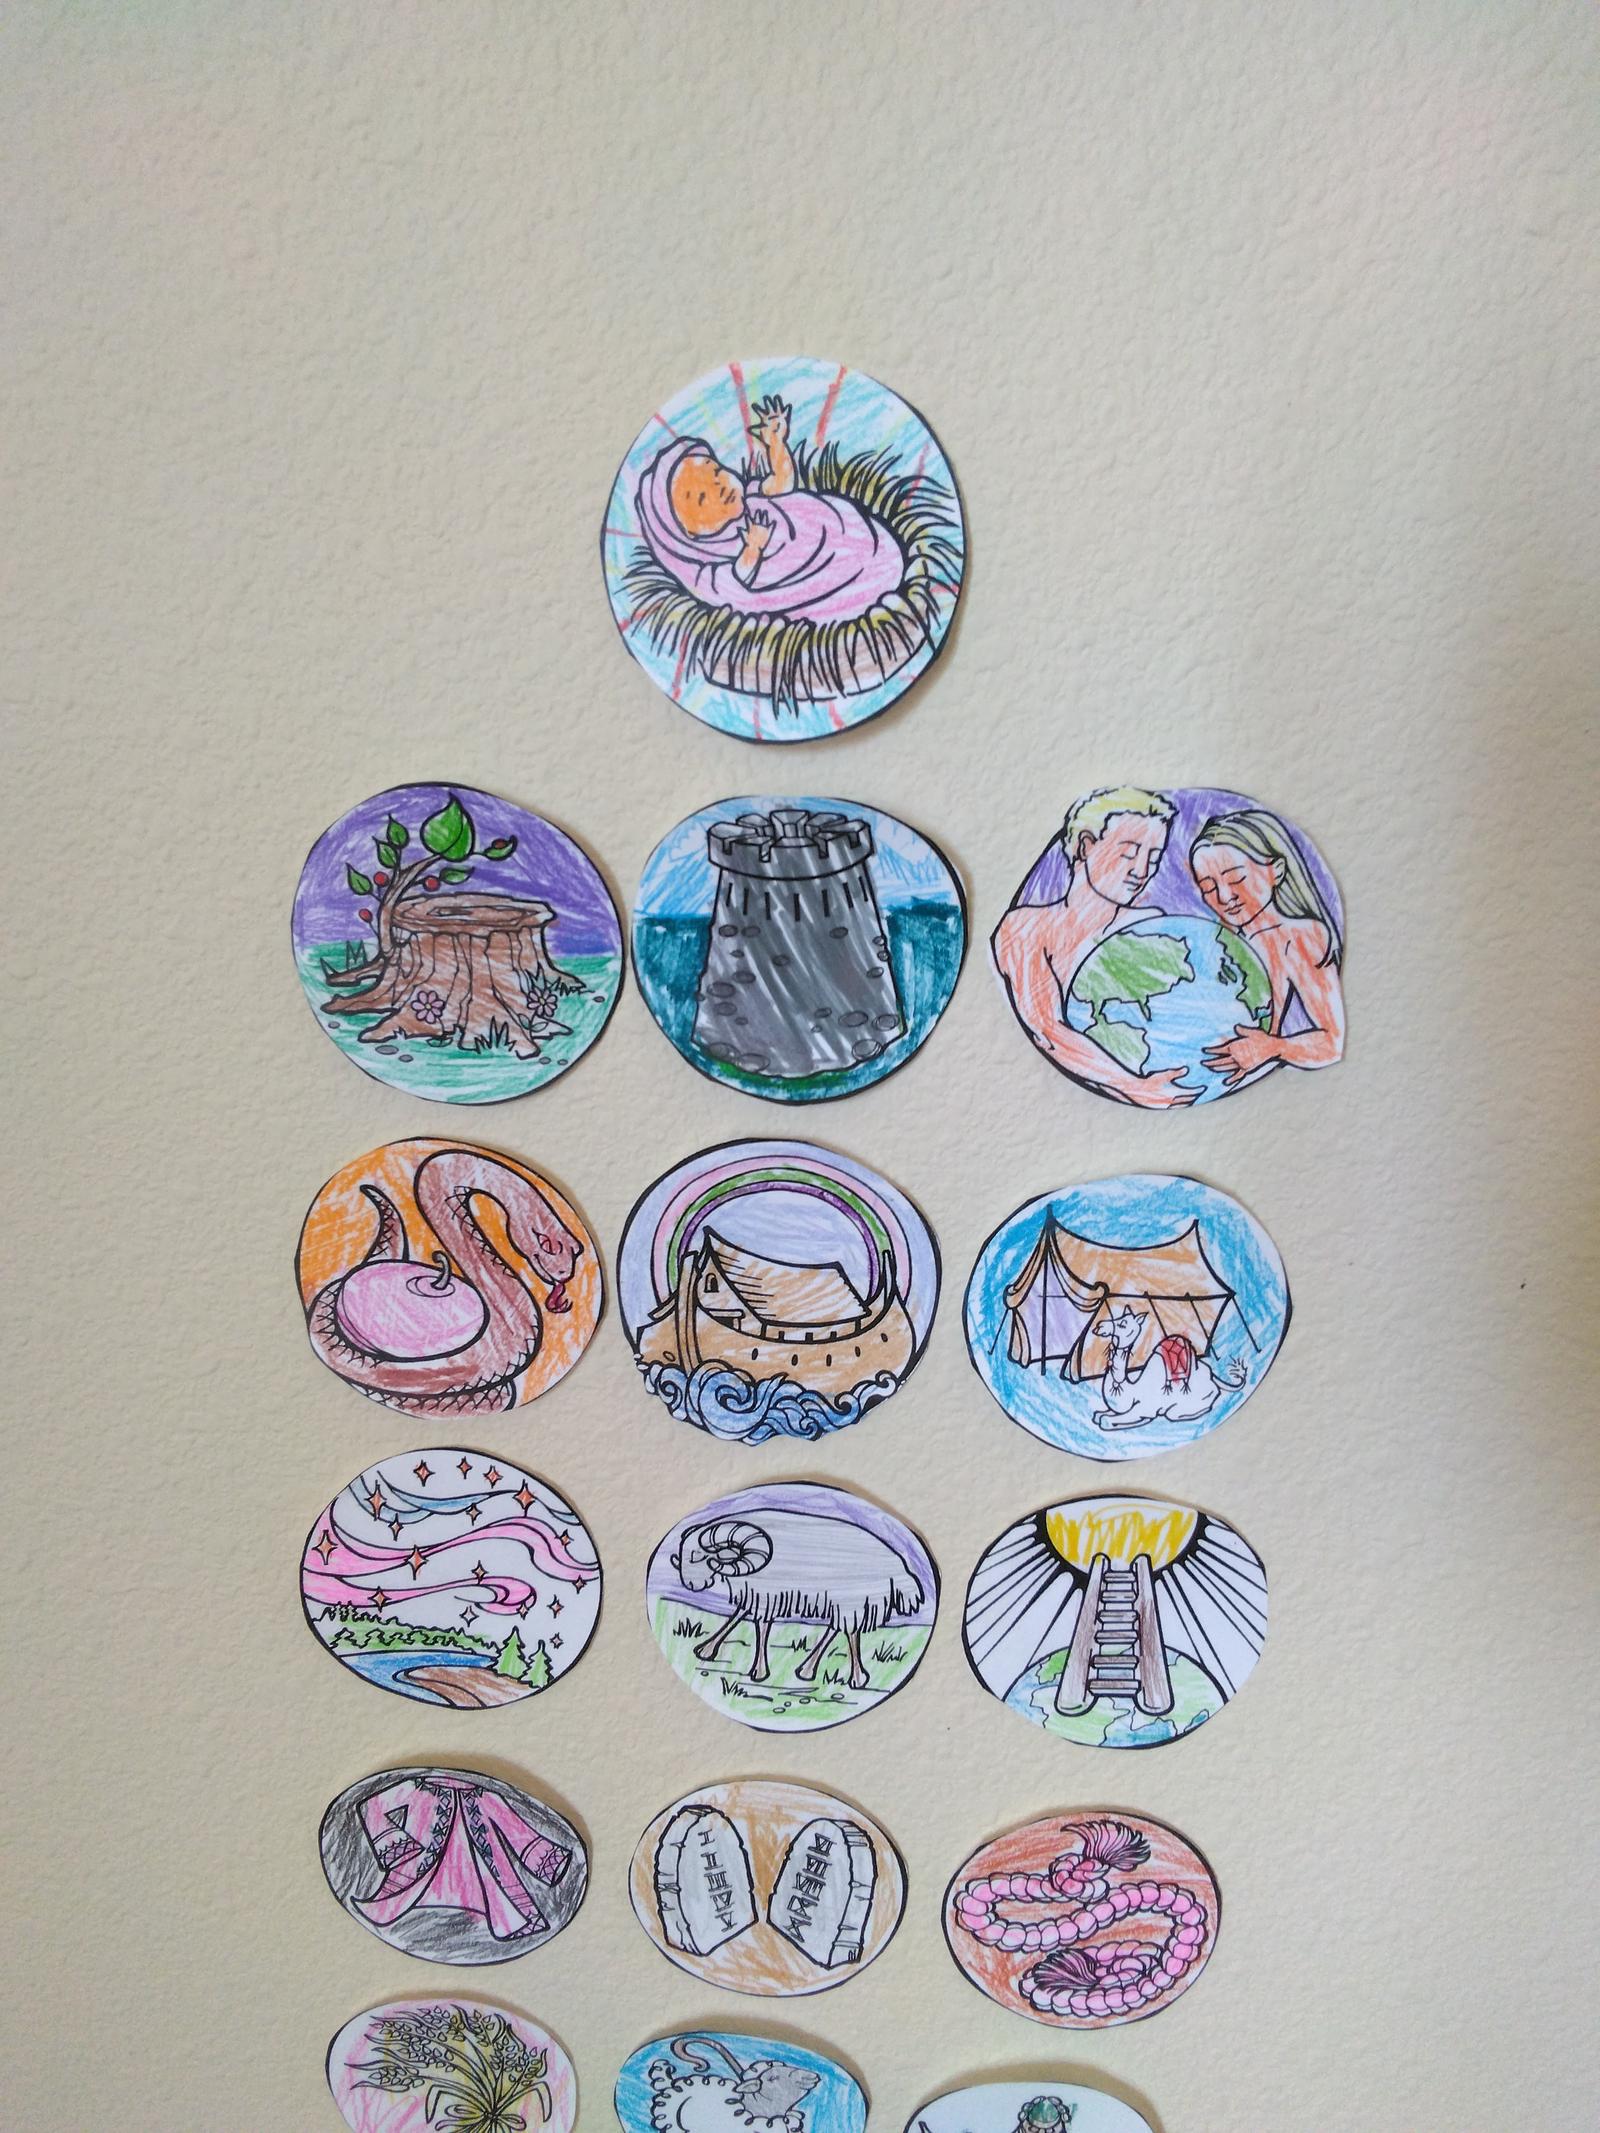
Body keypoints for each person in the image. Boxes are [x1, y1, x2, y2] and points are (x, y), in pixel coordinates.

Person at [991, 786, 1200, 1108]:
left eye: (1153, 857)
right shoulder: (1025, 930)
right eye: (1129, 853)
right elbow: (1047, 1030)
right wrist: (1133, 1086)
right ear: (1086, 846)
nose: (1141, 871)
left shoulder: (1149, 928)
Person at [632, 396, 906, 621]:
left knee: (853, 533)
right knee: (841, 589)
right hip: (800, 577)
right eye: (702, 499)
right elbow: (732, 584)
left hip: (823, 533)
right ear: (684, 534)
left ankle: (870, 554)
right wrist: (753, 548)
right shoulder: (706, 565)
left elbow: (782, 482)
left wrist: (776, 443)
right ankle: (860, 587)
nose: (718, 488)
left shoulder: (750, 499)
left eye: (715, 471)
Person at [1189, 809, 1345, 1085]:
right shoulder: (1220, 943)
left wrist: (1274, 1048)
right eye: (1208, 887)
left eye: (1236, 878)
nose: (1224, 896)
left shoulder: (1299, 939)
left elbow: (1332, 1042)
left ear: (1276, 870)